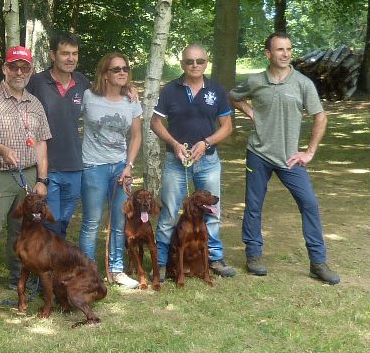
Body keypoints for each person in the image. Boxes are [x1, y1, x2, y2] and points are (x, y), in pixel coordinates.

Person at [229, 32, 341, 284]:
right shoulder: (256, 81)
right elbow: (234, 96)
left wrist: (309, 152)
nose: (285, 54)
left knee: (309, 203)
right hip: (258, 153)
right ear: (268, 54)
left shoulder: (302, 83)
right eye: (279, 50)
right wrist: (249, 110)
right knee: (254, 205)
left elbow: (320, 116)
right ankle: (254, 255)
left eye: (289, 49)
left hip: (290, 159)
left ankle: (318, 262)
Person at [0, 46, 51, 310]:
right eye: (13, 66)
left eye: (24, 68)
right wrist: (1, 149)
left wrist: (42, 179)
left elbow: (41, 143)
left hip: (27, 176)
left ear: (30, 71)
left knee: (21, 232)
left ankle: (19, 281)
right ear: (5, 69)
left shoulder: (34, 103)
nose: (19, 72)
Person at [150, 45, 236, 279]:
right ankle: (160, 262)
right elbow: (155, 122)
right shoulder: (170, 90)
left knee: (212, 212)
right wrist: (174, 143)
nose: (195, 65)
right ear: (182, 64)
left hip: (207, 161)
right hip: (175, 161)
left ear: (206, 62)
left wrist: (206, 143)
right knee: (169, 212)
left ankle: (215, 258)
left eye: (199, 61)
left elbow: (227, 126)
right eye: (189, 62)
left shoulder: (216, 90)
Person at [78, 52, 142, 288]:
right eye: (116, 69)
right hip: (93, 166)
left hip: (120, 169)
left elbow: (136, 136)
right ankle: (87, 272)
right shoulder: (87, 96)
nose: (122, 72)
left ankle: (116, 271)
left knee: (119, 221)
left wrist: (129, 166)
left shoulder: (131, 100)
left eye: (125, 68)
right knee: (91, 221)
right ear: (104, 74)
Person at [25, 32, 90, 239]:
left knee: (63, 222)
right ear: (53, 55)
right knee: (48, 221)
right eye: (65, 53)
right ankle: (43, 267)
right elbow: (12, 90)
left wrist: (127, 88)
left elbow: (108, 93)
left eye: (74, 53)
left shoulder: (82, 82)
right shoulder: (36, 82)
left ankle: (53, 262)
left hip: (74, 166)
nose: (70, 58)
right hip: (47, 167)